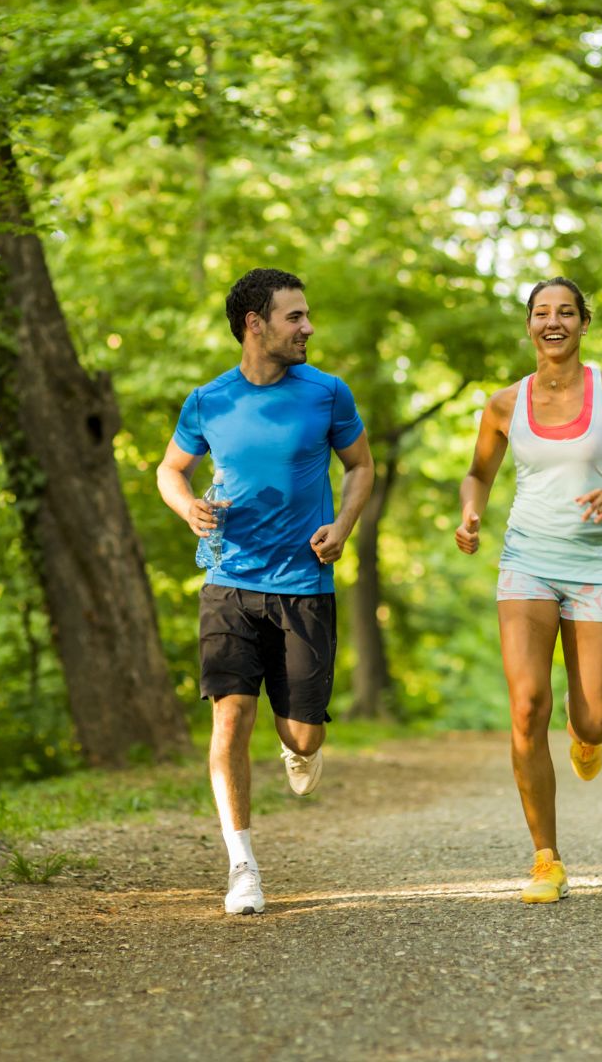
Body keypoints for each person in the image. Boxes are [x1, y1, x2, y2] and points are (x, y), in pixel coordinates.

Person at [158, 267, 373, 915]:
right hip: (228, 579)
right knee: (230, 716)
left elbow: (361, 465)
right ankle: (242, 865)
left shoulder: (327, 393)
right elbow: (170, 470)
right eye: (295, 317)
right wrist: (187, 505)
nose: (308, 328)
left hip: (304, 583)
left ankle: (297, 743)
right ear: (255, 324)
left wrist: (342, 527)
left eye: (307, 316)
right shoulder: (209, 400)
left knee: (303, 735)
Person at [455, 277, 602, 904]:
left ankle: (587, 736)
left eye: (566, 312)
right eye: (542, 313)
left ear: (583, 322)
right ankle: (545, 858)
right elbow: (477, 473)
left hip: (596, 564)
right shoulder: (503, 404)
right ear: (529, 326)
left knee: (595, 718)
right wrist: (471, 514)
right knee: (526, 708)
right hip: (527, 561)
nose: (554, 322)